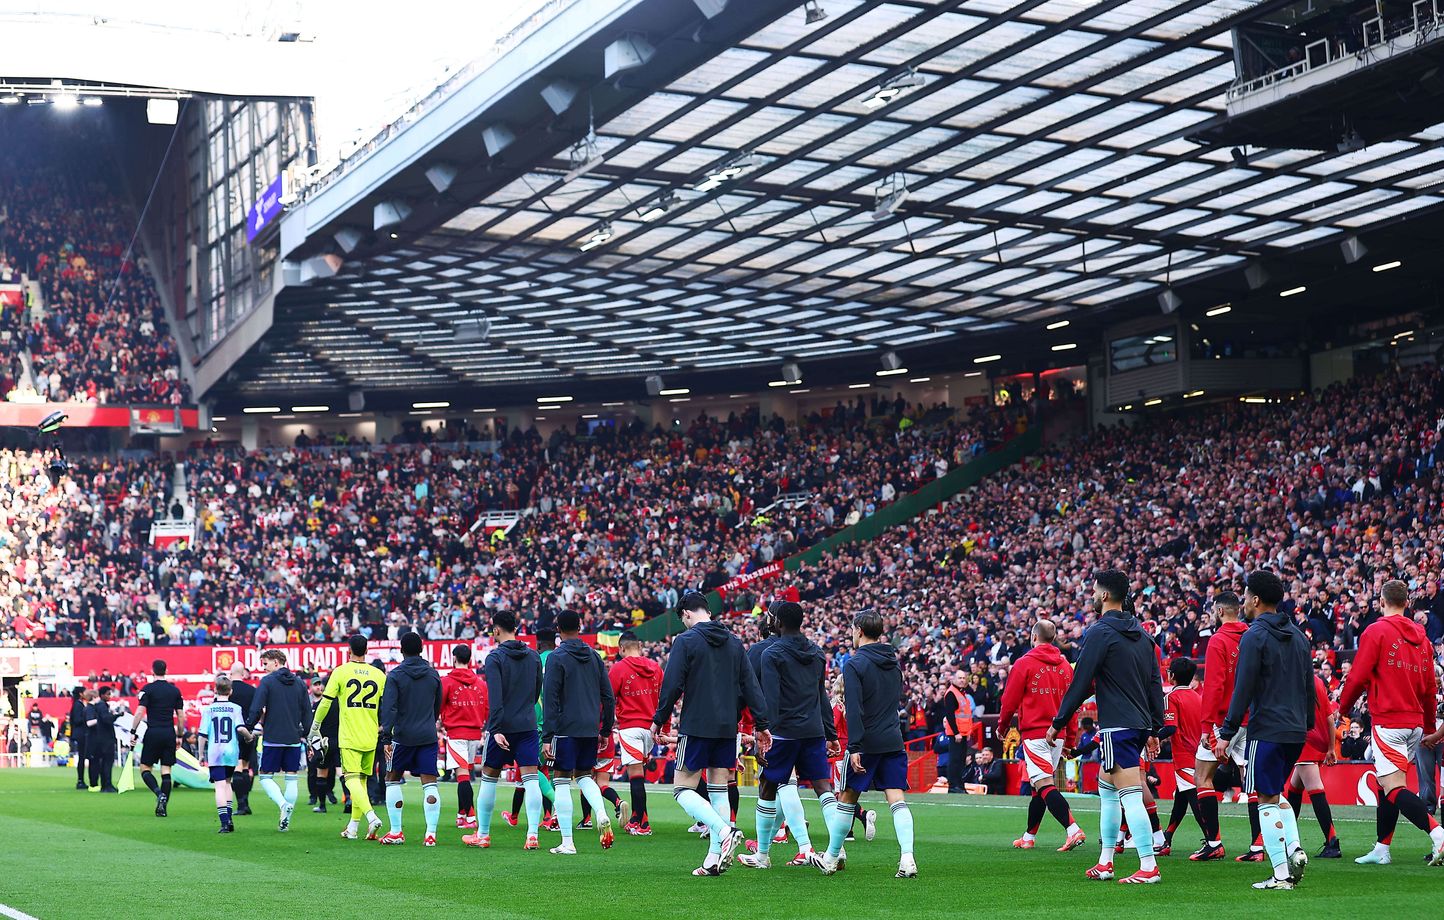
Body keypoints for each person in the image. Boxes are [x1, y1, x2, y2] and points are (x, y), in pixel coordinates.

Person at [1047, 569, 1165, 885]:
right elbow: (1155, 683)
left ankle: (1148, 865)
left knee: (1128, 794)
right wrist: (1155, 728)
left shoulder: (1100, 632)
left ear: (1103, 595)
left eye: (1094, 590)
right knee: (1107, 788)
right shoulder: (1143, 635)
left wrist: (1059, 721)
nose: (1092, 595)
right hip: (1138, 724)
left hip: (1117, 725)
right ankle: (1105, 861)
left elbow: (1082, 679)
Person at [650, 591, 769, 876]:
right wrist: (762, 724)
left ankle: (724, 830)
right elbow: (750, 686)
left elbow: (672, 685)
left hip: (697, 724)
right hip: (728, 727)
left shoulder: (686, 641)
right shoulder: (735, 642)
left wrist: (659, 721)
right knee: (718, 789)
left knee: (682, 789)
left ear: (687, 613)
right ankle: (713, 859)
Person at [1214, 570, 1315, 890]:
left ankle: (1281, 875)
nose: (1243, 602)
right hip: (1297, 730)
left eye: (1244, 597)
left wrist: (1227, 731)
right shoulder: (1299, 636)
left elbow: (1243, 688)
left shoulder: (1254, 636)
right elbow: (1308, 685)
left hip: (1267, 727)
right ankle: (1294, 848)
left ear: (1255, 600)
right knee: (1276, 792)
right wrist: (1308, 722)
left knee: (1265, 799)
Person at [1339, 579, 1444, 866]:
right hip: (1415, 723)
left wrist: (1343, 708)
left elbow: (1358, 676)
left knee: (1394, 787)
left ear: (1381, 602)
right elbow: (1428, 689)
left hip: (1389, 720)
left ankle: (1438, 834)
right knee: (1388, 785)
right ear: (1407, 603)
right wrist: (1430, 728)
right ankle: (1382, 848)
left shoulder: (1376, 631)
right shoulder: (1422, 640)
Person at [813, 608, 916, 878]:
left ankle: (832, 858)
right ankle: (907, 858)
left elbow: (855, 709)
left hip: (867, 742)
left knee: (847, 798)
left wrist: (855, 746)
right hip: (893, 738)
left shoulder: (854, 664)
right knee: (897, 798)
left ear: (858, 630)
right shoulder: (894, 662)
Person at [738, 601, 838, 870]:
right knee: (823, 788)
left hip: (782, 733)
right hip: (813, 731)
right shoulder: (817, 653)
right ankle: (836, 852)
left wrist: (762, 731)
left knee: (768, 786)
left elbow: (771, 696)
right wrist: (831, 732)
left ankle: (762, 855)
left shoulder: (772, 653)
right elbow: (821, 695)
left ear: (778, 623)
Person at [996, 618, 1084, 852]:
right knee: (1038, 787)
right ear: (1053, 638)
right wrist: (1071, 738)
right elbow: (1073, 705)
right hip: (1059, 735)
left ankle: (1073, 829)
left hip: (1036, 733)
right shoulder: (1066, 667)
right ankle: (1029, 836)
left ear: (1033, 637)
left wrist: (1003, 727)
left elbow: (1009, 700)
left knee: (1043, 784)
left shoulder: (1024, 664)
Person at [464, 611, 544, 850]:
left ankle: (484, 834)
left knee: (488, 778)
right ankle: (532, 835)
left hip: (503, 726)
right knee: (531, 780)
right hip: (527, 724)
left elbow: (495, 697)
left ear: (496, 630)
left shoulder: (495, 658)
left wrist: (496, 728)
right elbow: (536, 691)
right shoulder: (533, 657)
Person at [541, 610, 617, 855]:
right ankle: (602, 813)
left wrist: (547, 735)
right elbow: (608, 694)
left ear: (558, 630)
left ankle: (567, 842)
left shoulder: (556, 657)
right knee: (585, 776)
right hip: (589, 727)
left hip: (565, 727)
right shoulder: (594, 656)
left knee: (561, 780)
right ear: (580, 626)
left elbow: (550, 698)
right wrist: (605, 728)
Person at [309, 635, 387, 841]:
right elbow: (387, 705)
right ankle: (352, 828)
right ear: (367, 650)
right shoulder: (379, 675)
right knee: (360, 781)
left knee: (351, 779)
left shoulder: (341, 671)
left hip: (350, 735)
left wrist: (315, 726)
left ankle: (371, 817)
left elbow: (325, 702)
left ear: (349, 650)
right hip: (371, 735)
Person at [1190, 592, 1249, 861]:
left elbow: (1214, 686)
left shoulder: (1218, 641)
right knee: (1255, 784)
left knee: (1202, 777)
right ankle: (1259, 846)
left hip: (1223, 721)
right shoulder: (1252, 635)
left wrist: (1205, 726)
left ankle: (1214, 842)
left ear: (1219, 612)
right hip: (1251, 719)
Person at [379, 631, 444, 846]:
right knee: (430, 782)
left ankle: (396, 831)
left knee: (392, 779)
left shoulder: (395, 675)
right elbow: (437, 706)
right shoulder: (433, 674)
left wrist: (386, 737)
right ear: (422, 649)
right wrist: (428, 722)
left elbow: (389, 708)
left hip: (402, 736)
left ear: (401, 650)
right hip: (427, 735)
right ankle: (431, 834)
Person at [248, 648, 311, 832]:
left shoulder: (267, 682)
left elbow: (257, 707)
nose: (264, 668)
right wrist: (307, 734)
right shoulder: (299, 683)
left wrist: (249, 726)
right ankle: (286, 822)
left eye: (265, 663)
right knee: (291, 778)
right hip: (293, 738)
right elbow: (307, 712)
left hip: (273, 738)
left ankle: (283, 804)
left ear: (276, 662)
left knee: (266, 776)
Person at [610, 629, 663, 835]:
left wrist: (604, 727)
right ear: (639, 646)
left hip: (630, 727)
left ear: (621, 648)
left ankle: (642, 825)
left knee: (635, 776)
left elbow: (608, 698)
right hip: (650, 727)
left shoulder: (618, 669)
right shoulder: (656, 668)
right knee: (639, 773)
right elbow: (663, 699)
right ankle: (638, 817)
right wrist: (662, 727)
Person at [1286, 670, 1340, 858]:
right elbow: (1329, 717)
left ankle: (1332, 841)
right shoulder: (1316, 681)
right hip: (1317, 739)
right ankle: (1288, 838)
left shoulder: (1293, 679)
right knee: (1294, 789)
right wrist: (1331, 747)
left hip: (1303, 738)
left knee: (1315, 790)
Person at [1160, 657, 1205, 855]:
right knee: (1181, 798)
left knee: (1195, 800)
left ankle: (1213, 840)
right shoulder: (1198, 696)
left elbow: (1170, 727)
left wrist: (1153, 737)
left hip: (1184, 755)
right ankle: (1166, 839)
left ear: (1172, 676)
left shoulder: (1171, 698)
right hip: (1199, 753)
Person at [440, 643, 487, 832]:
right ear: (470, 660)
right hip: (475, 733)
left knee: (462, 777)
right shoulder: (481, 683)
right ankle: (461, 814)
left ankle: (471, 817)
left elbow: (439, 704)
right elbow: (487, 708)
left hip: (456, 733)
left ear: (454, 658)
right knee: (465, 773)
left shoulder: (447, 681)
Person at [133, 659, 183, 818]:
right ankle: (163, 807)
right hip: (169, 732)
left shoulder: (147, 689)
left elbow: (140, 712)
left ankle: (158, 793)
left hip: (153, 732)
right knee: (166, 770)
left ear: (152, 671)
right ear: (166, 671)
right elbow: (181, 716)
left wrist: (133, 730)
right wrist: (180, 735)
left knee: (145, 768)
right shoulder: (174, 691)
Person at [199, 674, 246, 834]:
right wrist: (249, 736)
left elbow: (202, 735)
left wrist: (200, 755)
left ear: (214, 690)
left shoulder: (208, 709)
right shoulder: (236, 708)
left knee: (219, 786)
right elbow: (240, 728)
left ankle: (225, 822)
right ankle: (230, 819)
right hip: (231, 751)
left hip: (216, 752)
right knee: (227, 783)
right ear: (230, 691)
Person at [228, 662, 258, 816]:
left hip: (231, 733)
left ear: (231, 672)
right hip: (248, 732)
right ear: (243, 673)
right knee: (245, 766)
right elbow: (259, 710)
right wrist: (251, 726)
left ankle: (241, 805)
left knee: (237, 767)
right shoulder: (252, 690)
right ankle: (245, 802)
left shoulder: (227, 689)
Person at [307, 676, 341, 813]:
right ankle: (349, 800)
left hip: (323, 742)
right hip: (339, 740)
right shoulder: (340, 703)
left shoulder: (321, 704)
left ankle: (322, 805)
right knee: (341, 772)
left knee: (321, 773)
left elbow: (314, 724)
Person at [941, 671, 974, 793]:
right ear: (954, 679)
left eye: (964, 678)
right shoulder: (951, 693)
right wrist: (956, 733)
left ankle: (959, 785)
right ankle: (953, 785)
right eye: (959, 678)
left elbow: (965, 715)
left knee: (960, 760)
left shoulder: (961, 693)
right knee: (955, 760)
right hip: (957, 734)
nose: (962, 680)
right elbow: (950, 716)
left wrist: (968, 731)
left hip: (963, 733)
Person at [86, 687, 119, 793]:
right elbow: (106, 719)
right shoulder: (102, 706)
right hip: (106, 739)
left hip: (102, 738)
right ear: (103, 695)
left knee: (105, 762)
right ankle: (107, 785)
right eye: (108, 694)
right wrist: (116, 716)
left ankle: (105, 784)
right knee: (107, 762)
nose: (110, 696)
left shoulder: (100, 706)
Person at [68, 687, 88, 790]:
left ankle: (81, 780)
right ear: (81, 694)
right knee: (82, 757)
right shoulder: (78, 705)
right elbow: (77, 720)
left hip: (79, 733)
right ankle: (80, 780)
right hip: (81, 734)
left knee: (82, 757)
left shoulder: (78, 704)